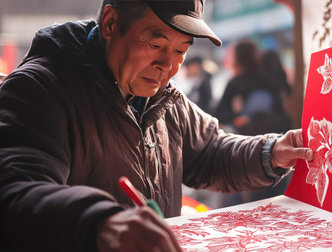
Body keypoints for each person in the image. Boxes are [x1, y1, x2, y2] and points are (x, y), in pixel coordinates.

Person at [0, 0, 313, 251]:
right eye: (155, 44)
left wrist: (272, 152)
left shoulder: (163, 97)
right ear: (110, 23)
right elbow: (14, 193)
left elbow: (209, 151)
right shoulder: (39, 89)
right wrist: (99, 224)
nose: (168, 66)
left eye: (180, 51)